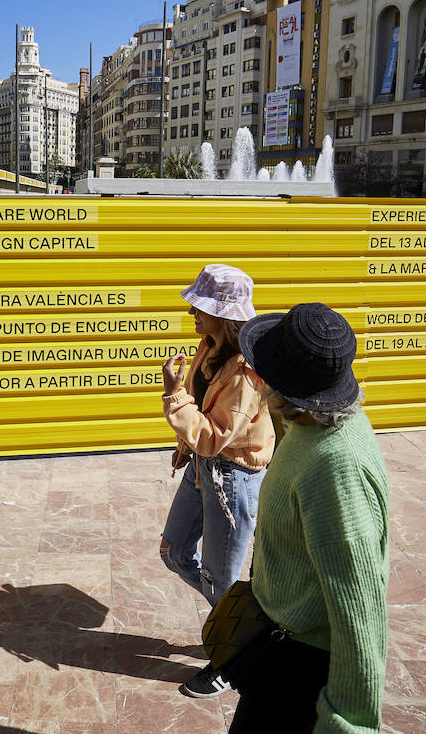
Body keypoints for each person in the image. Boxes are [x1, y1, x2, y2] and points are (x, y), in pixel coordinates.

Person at [231, 302, 389, 733]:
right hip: (277, 643)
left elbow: (359, 607)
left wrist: (348, 724)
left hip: (300, 668)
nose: (252, 373)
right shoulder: (308, 426)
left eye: (260, 369)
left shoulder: (335, 469)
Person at [158, 264, 274, 699]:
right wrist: (187, 447)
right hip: (205, 468)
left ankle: (233, 655)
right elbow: (203, 427)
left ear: (225, 316)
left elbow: (212, 434)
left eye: (200, 308)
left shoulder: (245, 375)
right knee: (173, 554)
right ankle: (238, 626)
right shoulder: (209, 347)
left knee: (220, 578)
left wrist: (173, 393)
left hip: (234, 479)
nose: (192, 313)